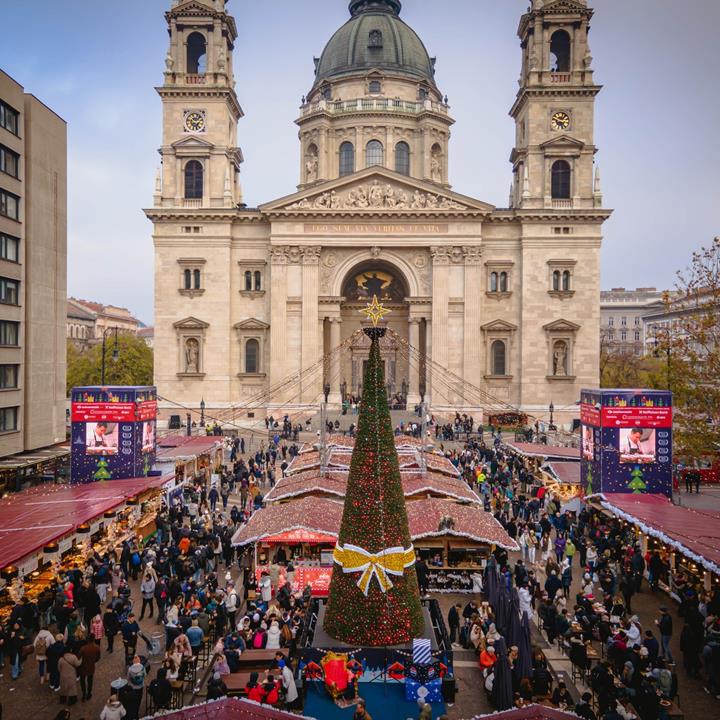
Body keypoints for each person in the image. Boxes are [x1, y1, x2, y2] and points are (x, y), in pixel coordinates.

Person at [78, 634, 101, 701]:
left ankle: (84, 694)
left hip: (83, 667)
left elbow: (78, 657)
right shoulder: (97, 647)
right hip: (91, 667)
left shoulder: (83, 648)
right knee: (90, 680)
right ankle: (89, 693)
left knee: (82, 681)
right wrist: (93, 661)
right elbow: (98, 658)